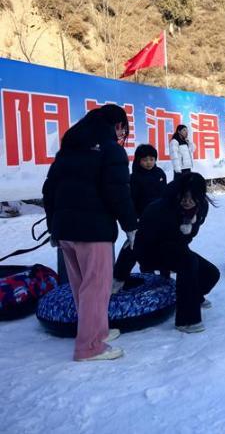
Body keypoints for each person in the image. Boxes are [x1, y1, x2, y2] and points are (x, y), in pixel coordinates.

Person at [42, 105, 138, 361]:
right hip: (93, 231)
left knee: (80, 286)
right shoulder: (111, 150)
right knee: (96, 288)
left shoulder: (68, 149)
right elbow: (118, 192)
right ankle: (90, 346)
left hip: (65, 230)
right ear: (118, 125)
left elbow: (49, 190)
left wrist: (54, 226)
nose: (122, 134)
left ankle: (96, 331)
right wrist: (130, 225)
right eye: (123, 129)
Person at [135, 173, 220, 333]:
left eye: (192, 197)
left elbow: (186, 237)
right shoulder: (160, 208)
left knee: (211, 273)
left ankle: (193, 296)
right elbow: (136, 242)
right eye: (184, 196)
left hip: (176, 245)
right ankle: (186, 320)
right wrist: (120, 275)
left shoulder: (201, 207)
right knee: (188, 262)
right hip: (150, 251)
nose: (187, 201)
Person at [112, 144, 167, 288]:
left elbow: (165, 196)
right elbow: (131, 201)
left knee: (161, 245)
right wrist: (134, 219)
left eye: (151, 159)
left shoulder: (160, 173)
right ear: (138, 160)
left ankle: (163, 272)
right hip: (142, 219)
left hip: (160, 218)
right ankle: (120, 276)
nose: (149, 162)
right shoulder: (134, 178)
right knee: (134, 246)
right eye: (145, 160)